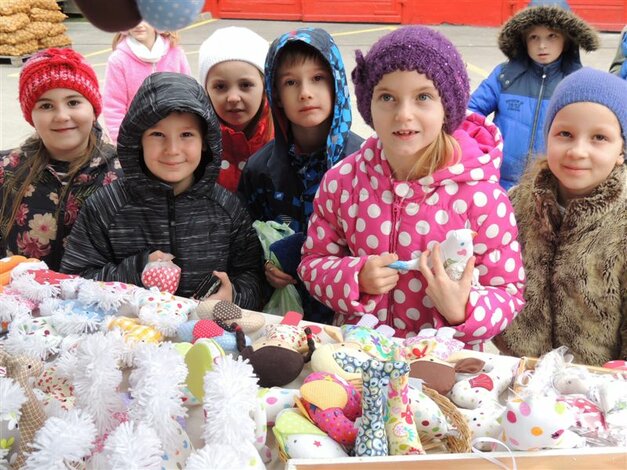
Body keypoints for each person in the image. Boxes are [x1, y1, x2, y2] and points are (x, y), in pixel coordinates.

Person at [298, 26, 526, 348]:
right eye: (387, 97)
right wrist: (354, 277)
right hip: (361, 356)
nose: (404, 115)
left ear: (448, 106)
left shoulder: (482, 197)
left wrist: (462, 309)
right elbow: (313, 263)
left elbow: (507, 292)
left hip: (442, 365)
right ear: (368, 105)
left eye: (423, 97)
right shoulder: (342, 183)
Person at [60, 73, 262, 307]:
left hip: (207, 337)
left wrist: (234, 295)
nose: (172, 149)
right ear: (138, 140)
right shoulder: (106, 206)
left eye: (186, 134)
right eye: (157, 134)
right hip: (126, 337)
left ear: (206, 141)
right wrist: (137, 269)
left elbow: (253, 276)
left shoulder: (228, 207)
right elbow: (74, 280)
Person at [493, 68, 626, 366]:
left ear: (621, 150)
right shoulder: (514, 205)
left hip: (598, 386)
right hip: (519, 372)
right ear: (548, 136)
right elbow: (492, 282)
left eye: (599, 138)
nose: (578, 151)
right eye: (565, 134)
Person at [238, 27, 363, 323]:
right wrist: (265, 266)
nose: (305, 92)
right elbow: (243, 241)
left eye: (318, 78)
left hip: (350, 317)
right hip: (283, 316)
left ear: (336, 83)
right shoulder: (260, 169)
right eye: (291, 82)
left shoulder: (364, 164)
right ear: (276, 94)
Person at [0, 48, 122, 271]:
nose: (62, 116)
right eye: (46, 106)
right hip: (18, 302)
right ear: (30, 115)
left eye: (73, 102)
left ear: (93, 109)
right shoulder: (6, 171)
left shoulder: (124, 174)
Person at [469, 5, 599, 190]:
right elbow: (471, 113)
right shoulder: (504, 76)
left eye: (552, 36)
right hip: (498, 183)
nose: (542, 45)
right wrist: (483, 148)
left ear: (567, 39)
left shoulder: (578, 83)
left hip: (552, 187)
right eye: (534, 37)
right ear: (523, 40)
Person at [198, 26, 274, 192]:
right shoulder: (195, 136)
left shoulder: (283, 136)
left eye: (245, 85)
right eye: (220, 86)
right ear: (206, 91)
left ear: (265, 87)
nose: (233, 97)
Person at [103, 21, 191, 144]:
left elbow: (188, 95)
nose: (138, 24)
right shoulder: (118, 60)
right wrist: (122, 140)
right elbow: (113, 106)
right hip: (137, 138)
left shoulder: (176, 53)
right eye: (132, 18)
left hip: (174, 134)